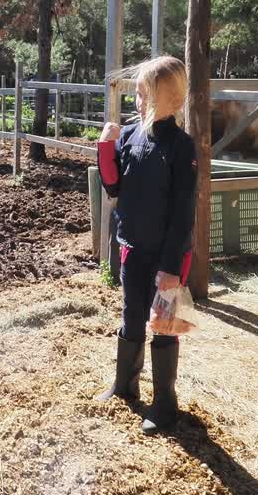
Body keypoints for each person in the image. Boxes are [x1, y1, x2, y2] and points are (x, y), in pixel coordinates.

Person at [94, 55, 197, 435]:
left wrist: (172, 267)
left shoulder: (181, 147)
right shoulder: (134, 136)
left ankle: (165, 403)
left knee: (164, 325)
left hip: (167, 256)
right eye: (136, 94)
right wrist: (106, 149)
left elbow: (184, 211)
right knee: (131, 316)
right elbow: (114, 186)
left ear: (173, 101)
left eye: (144, 95)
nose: (137, 102)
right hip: (133, 247)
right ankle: (125, 385)